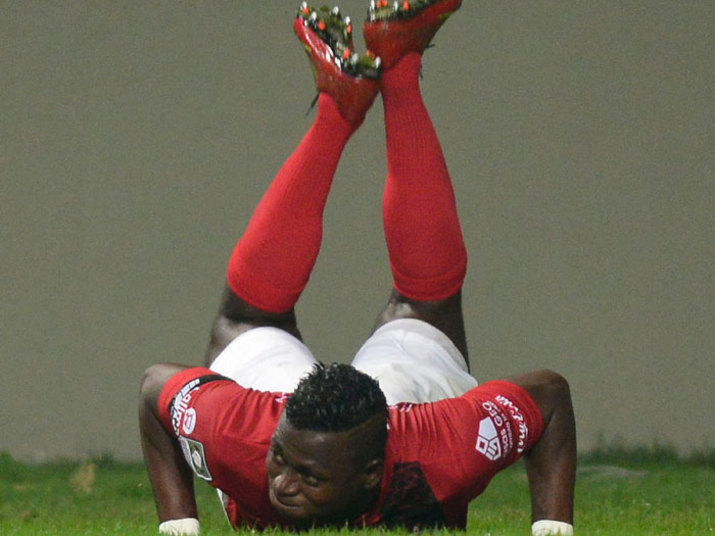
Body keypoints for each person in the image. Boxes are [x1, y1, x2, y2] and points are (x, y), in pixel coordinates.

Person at [138, 1, 576, 535]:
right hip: (295, 402)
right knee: (423, 305)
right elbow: (153, 389)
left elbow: (551, 397)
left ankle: (341, 107)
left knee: (248, 323)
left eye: (308, 477)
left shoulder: (443, 449)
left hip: (402, 408)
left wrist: (554, 529)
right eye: (282, 462)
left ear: (373, 475)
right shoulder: (243, 434)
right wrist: (178, 525)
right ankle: (397, 68)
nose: (282, 485)